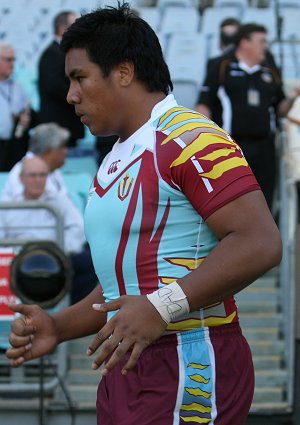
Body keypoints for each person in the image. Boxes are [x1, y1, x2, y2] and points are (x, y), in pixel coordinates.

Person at [6, 5, 282, 425]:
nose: (70, 95)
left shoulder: (192, 137)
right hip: (129, 367)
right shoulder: (120, 154)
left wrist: (160, 308)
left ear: (124, 71)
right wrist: (59, 327)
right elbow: (126, 286)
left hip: (190, 358)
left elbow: (260, 242)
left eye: (79, 77)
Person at [196, 23, 300, 210]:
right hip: (231, 146)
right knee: (230, 201)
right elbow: (204, 103)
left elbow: (280, 109)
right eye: (261, 41)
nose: (265, 46)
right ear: (245, 42)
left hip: (265, 147)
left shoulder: (269, 69)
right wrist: (207, 139)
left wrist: (293, 97)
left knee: (263, 201)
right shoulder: (222, 65)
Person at [0, 156, 98, 304]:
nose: (38, 180)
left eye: (42, 175)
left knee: (89, 262)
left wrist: (62, 249)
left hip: (56, 253)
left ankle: (75, 314)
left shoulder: (59, 200)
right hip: (16, 257)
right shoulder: (7, 204)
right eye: (32, 175)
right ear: (21, 178)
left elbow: (78, 228)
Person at [38, 11, 85, 147]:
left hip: (67, 127)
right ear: (62, 29)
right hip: (57, 128)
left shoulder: (64, 52)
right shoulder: (52, 53)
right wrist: (81, 95)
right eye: (74, 26)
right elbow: (55, 87)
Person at [1, 123, 69, 201]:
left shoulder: (53, 169)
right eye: (62, 147)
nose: (66, 151)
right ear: (49, 150)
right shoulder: (22, 171)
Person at [0, 42, 36, 171]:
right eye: (8, 60)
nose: (12, 63)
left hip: (13, 146)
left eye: (13, 59)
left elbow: (27, 112)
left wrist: (25, 120)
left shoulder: (17, 87)